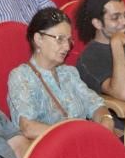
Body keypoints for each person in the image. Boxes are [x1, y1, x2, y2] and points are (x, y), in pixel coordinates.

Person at [7, 8, 116, 138]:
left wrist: (106, 118)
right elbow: (28, 127)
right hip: (56, 150)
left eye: (69, 40)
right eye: (60, 39)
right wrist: (72, 136)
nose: (67, 47)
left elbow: (95, 104)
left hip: (86, 141)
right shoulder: (21, 76)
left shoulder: (68, 72)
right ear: (38, 39)